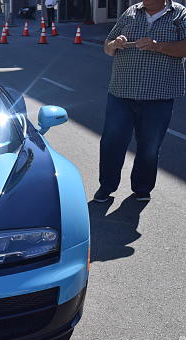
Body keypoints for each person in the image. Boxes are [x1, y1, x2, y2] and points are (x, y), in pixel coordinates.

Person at [94, 0, 186, 203]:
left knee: (149, 146)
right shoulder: (130, 12)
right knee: (112, 142)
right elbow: (107, 47)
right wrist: (115, 44)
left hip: (158, 96)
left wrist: (157, 46)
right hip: (121, 93)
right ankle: (106, 186)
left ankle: (142, 189)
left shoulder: (179, 15)